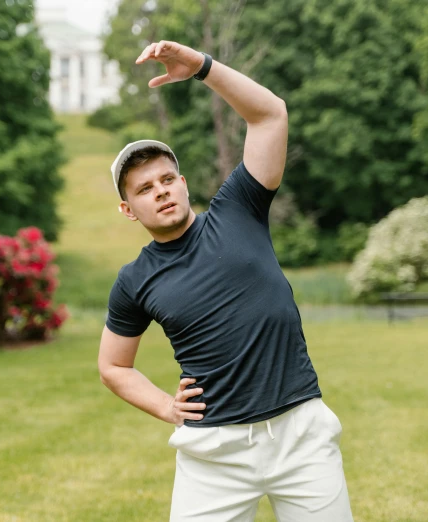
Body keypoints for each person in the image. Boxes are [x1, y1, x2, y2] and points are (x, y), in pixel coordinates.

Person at [98, 40, 354, 522]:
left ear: (183, 182)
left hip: (299, 433)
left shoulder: (238, 209)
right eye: (145, 189)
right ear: (128, 210)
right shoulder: (134, 280)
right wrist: (166, 407)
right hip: (212, 452)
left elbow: (270, 116)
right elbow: (114, 366)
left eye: (167, 179)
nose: (162, 192)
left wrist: (200, 67)